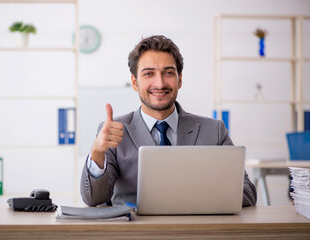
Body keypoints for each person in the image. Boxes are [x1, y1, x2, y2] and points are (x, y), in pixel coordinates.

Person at [80, 35, 257, 207]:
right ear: (135, 83)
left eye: (168, 73)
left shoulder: (214, 130)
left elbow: (247, 192)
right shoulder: (114, 132)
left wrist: (192, 200)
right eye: (149, 74)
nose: (160, 83)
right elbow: (93, 199)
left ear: (179, 80)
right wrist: (97, 152)